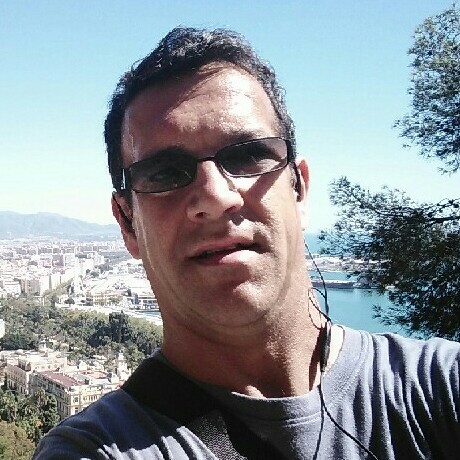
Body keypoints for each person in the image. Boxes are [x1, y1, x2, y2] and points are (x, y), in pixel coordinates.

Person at [34, 27, 459, 460]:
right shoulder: (94, 449)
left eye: (247, 154)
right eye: (164, 173)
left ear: (299, 189)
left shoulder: (438, 387)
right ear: (127, 222)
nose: (215, 196)